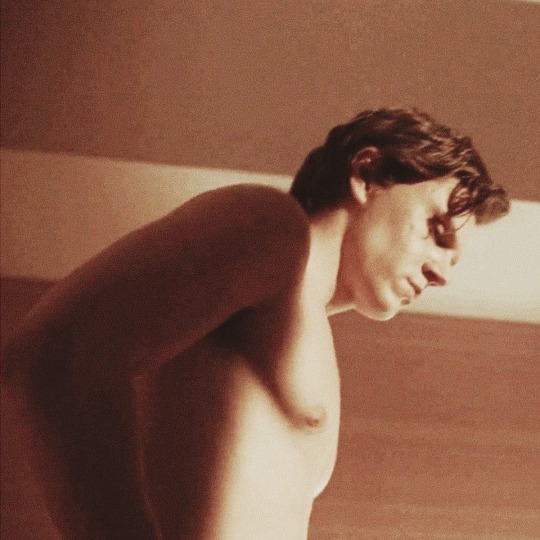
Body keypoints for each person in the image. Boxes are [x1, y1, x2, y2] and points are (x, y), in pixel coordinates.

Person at [2, 107, 509, 539]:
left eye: (453, 260)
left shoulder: (308, 332)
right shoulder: (273, 229)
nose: (442, 273)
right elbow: (57, 354)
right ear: (366, 174)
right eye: (437, 231)